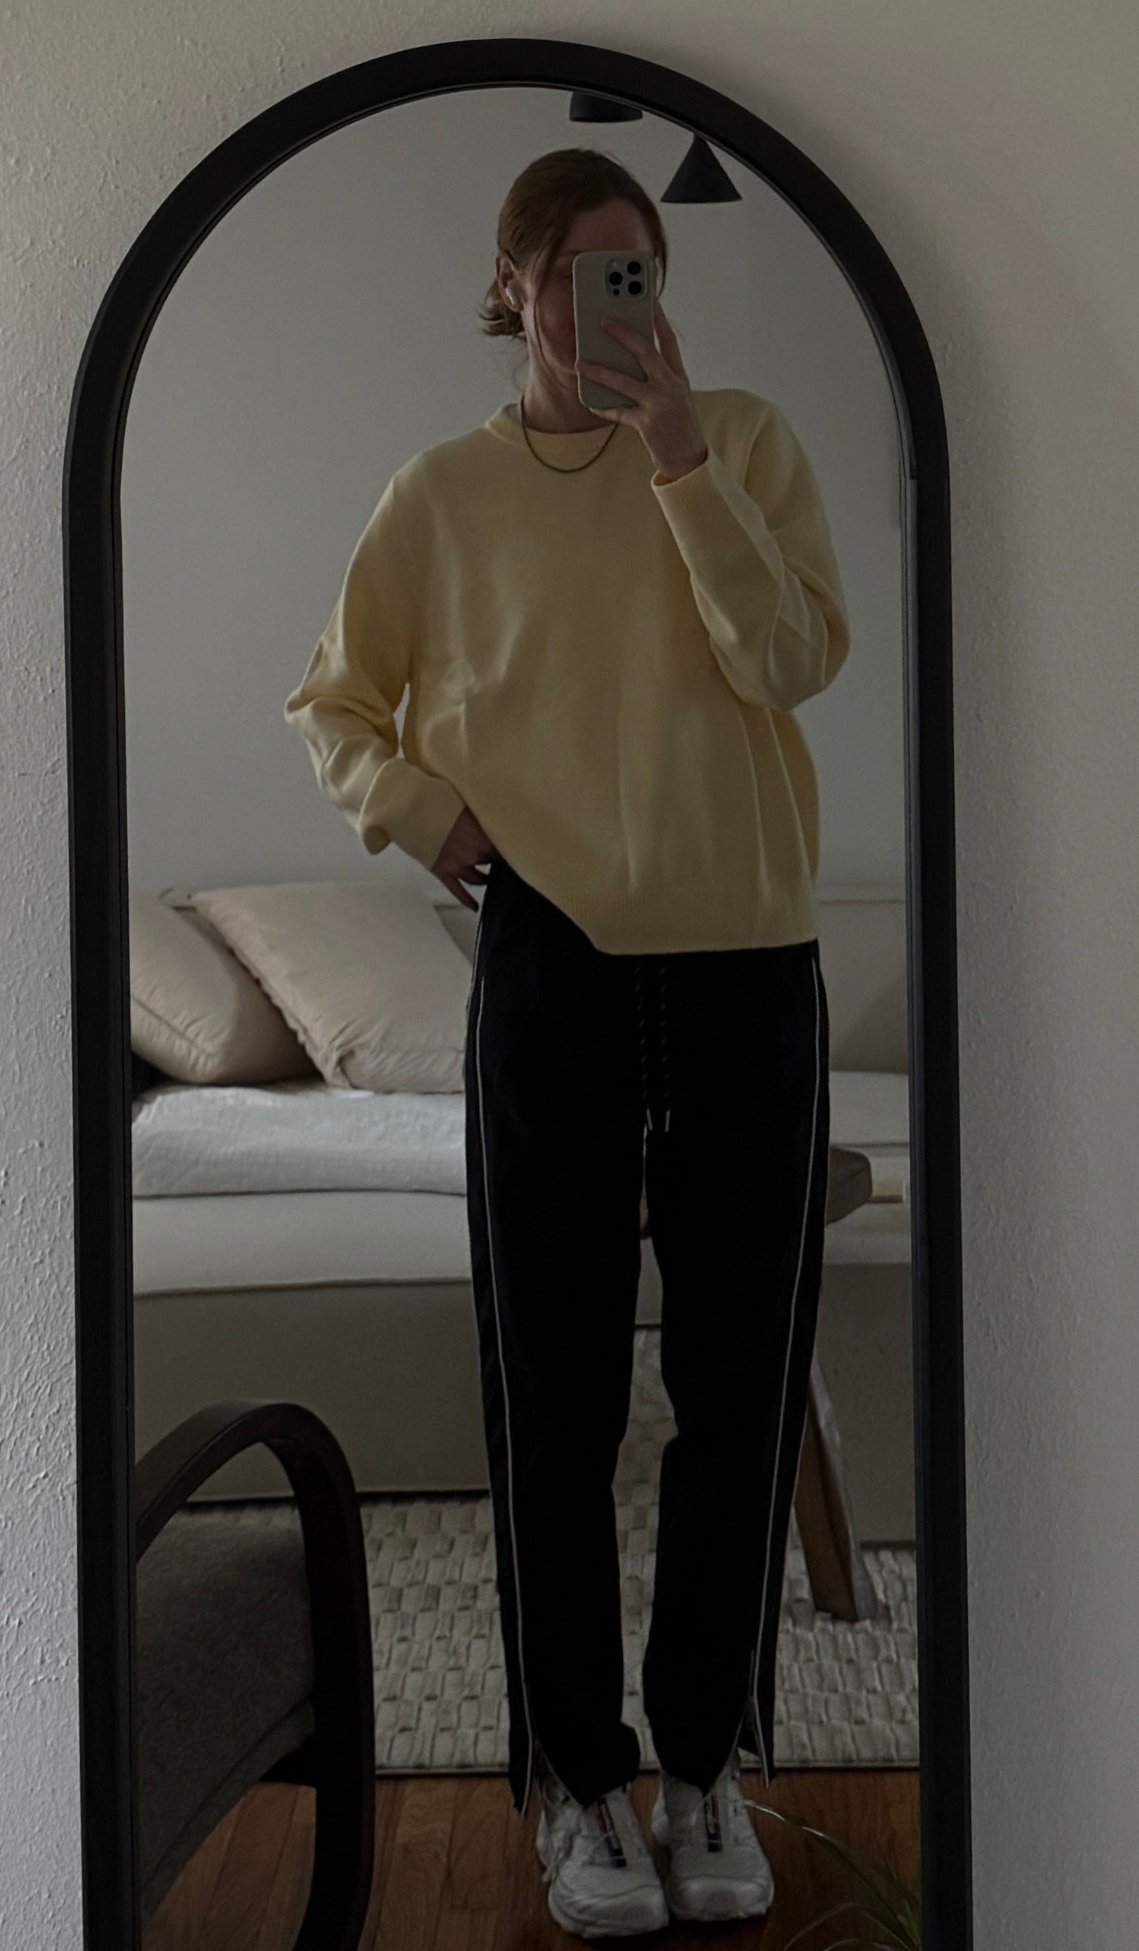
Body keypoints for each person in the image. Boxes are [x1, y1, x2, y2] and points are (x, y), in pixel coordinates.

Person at [284, 146, 851, 1941]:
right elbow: (332, 700)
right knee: (556, 1391)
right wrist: (425, 814)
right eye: (583, 277)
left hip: (747, 957)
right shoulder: (441, 495)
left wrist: (679, 458)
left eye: (641, 276)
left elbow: (790, 661)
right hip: (555, 965)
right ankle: (574, 1780)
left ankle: (702, 1762)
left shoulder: (739, 441)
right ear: (514, 285)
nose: (617, 309)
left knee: (742, 1387)